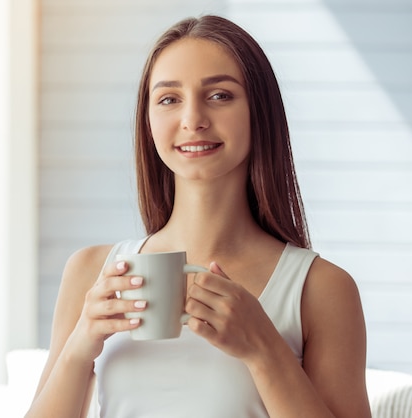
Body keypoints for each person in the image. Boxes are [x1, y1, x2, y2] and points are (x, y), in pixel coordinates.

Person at [25, 15, 371, 418]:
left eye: (220, 95)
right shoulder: (92, 272)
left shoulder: (321, 289)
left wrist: (264, 350)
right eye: (169, 99)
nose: (192, 120)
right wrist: (80, 347)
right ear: (148, 120)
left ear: (259, 111)